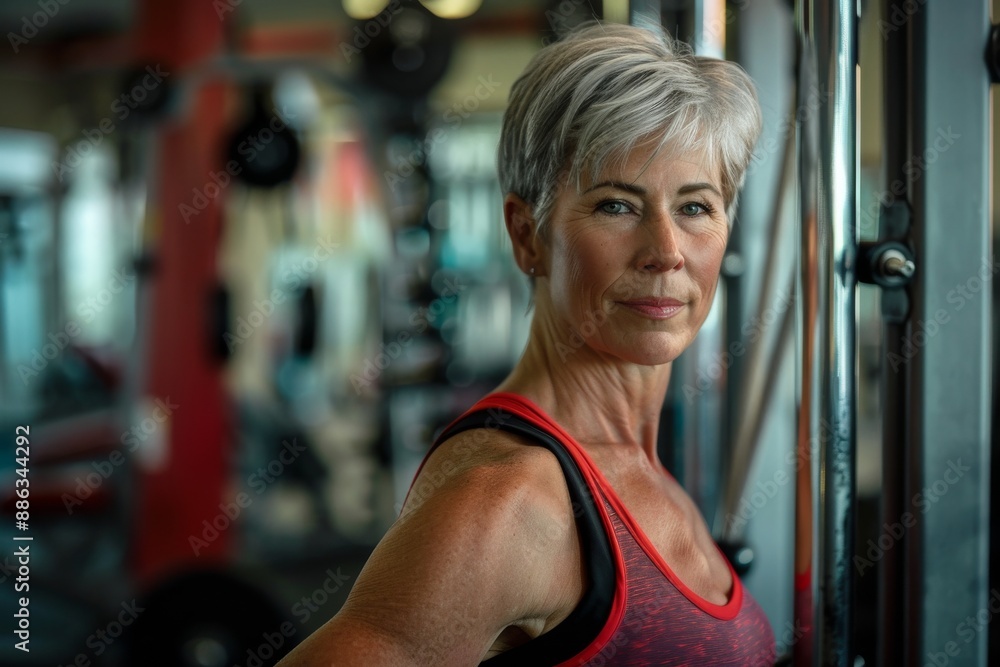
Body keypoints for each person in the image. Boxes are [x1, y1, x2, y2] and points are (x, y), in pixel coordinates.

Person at [279, 20, 772, 666]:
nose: (666, 252)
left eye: (696, 207)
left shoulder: (640, 465)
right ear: (526, 234)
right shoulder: (511, 500)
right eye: (616, 206)